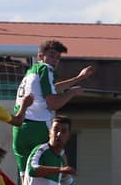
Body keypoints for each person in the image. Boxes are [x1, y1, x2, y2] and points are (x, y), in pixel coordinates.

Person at [11, 39, 94, 176]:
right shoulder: (45, 69)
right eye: (51, 55)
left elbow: (53, 89)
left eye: (58, 57)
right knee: (60, 163)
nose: (55, 60)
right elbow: (53, 103)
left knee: (26, 174)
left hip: (19, 129)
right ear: (40, 56)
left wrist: (79, 78)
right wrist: (72, 93)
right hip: (38, 127)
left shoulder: (32, 72)